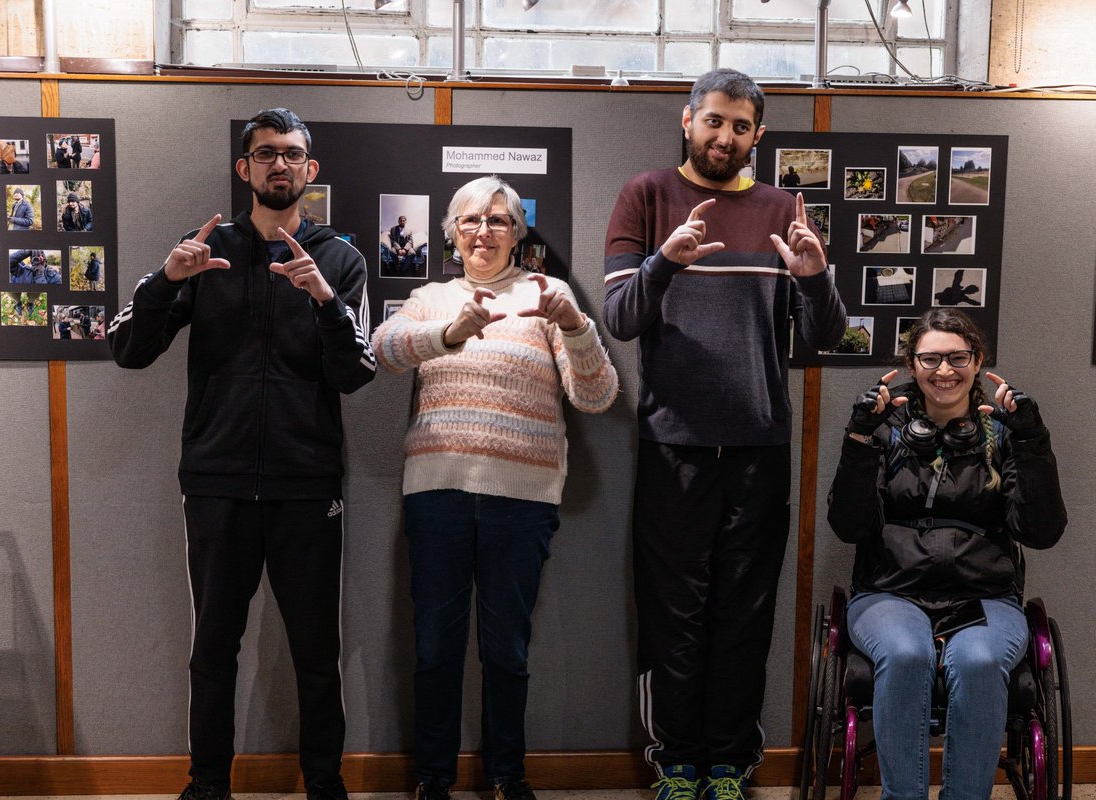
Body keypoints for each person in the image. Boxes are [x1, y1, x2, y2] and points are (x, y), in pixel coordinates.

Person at [107, 107, 375, 800]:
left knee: (318, 654)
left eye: (290, 154)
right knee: (212, 652)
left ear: (310, 170)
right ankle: (206, 784)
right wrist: (168, 278)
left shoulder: (340, 259)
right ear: (244, 168)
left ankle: (324, 784)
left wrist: (323, 301)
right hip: (217, 481)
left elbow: (356, 373)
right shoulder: (204, 248)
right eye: (264, 154)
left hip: (307, 484)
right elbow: (129, 351)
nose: (278, 165)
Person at [602, 67, 846, 799]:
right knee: (674, 613)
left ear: (758, 135)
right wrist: (665, 263)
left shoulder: (782, 207)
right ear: (687, 121)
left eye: (740, 126)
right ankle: (677, 764)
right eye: (713, 121)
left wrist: (813, 277)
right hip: (673, 443)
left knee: (745, 614)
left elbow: (823, 338)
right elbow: (619, 319)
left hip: (760, 446)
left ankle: (730, 765)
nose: (725, 136)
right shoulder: (646, 195)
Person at [372, 175, 618, 800]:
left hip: (523, 500)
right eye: (472, 220)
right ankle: (434, 777)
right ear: (453, 233)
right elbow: (384, 349)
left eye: (500, 220)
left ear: (518, 232)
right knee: (435, 647)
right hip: (437, 495)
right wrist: (450, 332)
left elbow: (597, 397)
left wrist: (578, 327)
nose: (485, 231)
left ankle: (508, 774)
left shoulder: (547, 294)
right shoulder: (430, 296)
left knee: (508, 649)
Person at [827, 307, 1066, 800]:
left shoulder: (1002, 436)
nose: (944, 370)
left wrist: (1032, 442)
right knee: (905, 651)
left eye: (957, 357)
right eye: (930, 358)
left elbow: (1041, 532)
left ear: (977, 362)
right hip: (889, 592)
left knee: (979, 662)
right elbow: (850, 527)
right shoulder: (884, 431)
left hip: (984, 597)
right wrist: (857, 440)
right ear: (912, 365)